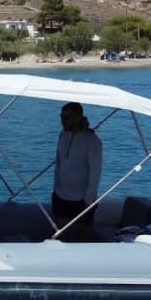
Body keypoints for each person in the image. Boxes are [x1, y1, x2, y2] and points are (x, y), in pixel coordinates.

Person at [52, 102, 103, 242]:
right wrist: (56, 189)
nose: (62, 121)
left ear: (78, 117)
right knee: (60, 236)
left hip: (82, 199)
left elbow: (95, 172)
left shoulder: (92, 140)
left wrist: (89, 200)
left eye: (67, 117)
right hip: (61, 195)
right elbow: (58, 164)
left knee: (83, 238)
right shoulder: (62, 136)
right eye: (61, 117)